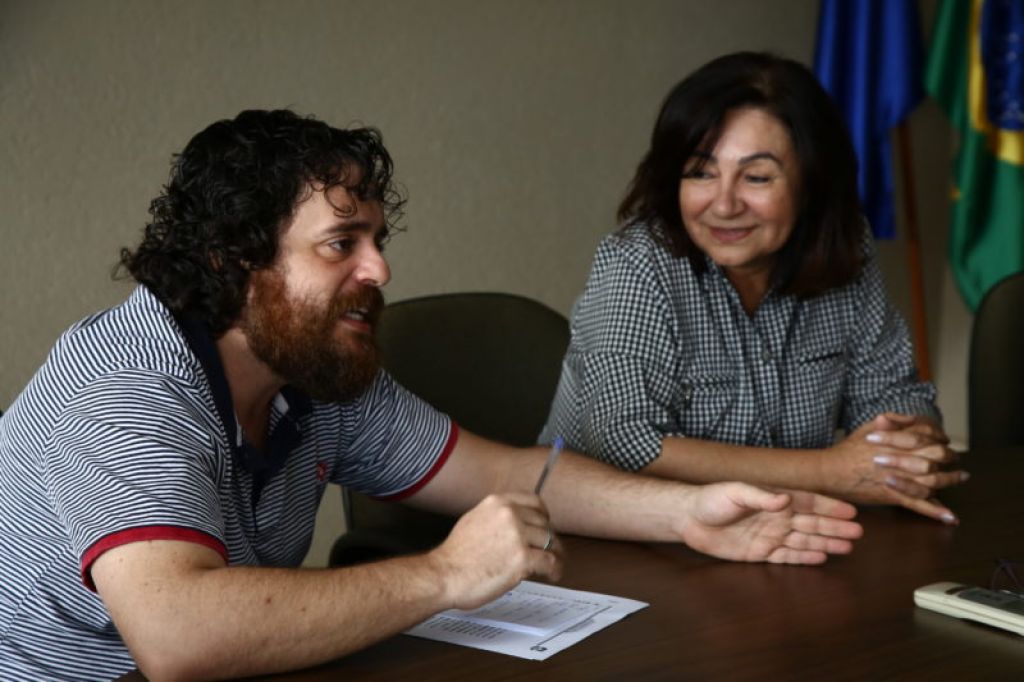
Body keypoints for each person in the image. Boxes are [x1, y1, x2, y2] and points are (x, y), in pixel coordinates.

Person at [0, 109, 863, 682]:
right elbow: (178, 636)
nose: (379, 270)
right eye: (341, 244)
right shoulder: (125, 384)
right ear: (235, 263)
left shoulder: (316, 366)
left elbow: (508, 474)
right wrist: (448, 572)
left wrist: (688, 513)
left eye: (376, 239)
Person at [540, 52, 968, 526]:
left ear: (812, 184)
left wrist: (906, 448)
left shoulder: (846, 246)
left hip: (781, 534)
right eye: (701, 172)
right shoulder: (638, 261)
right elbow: (621, 442)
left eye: (757, 177)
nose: (723, 204)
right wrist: (830, 470)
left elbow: (893, 395)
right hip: (612, 540)